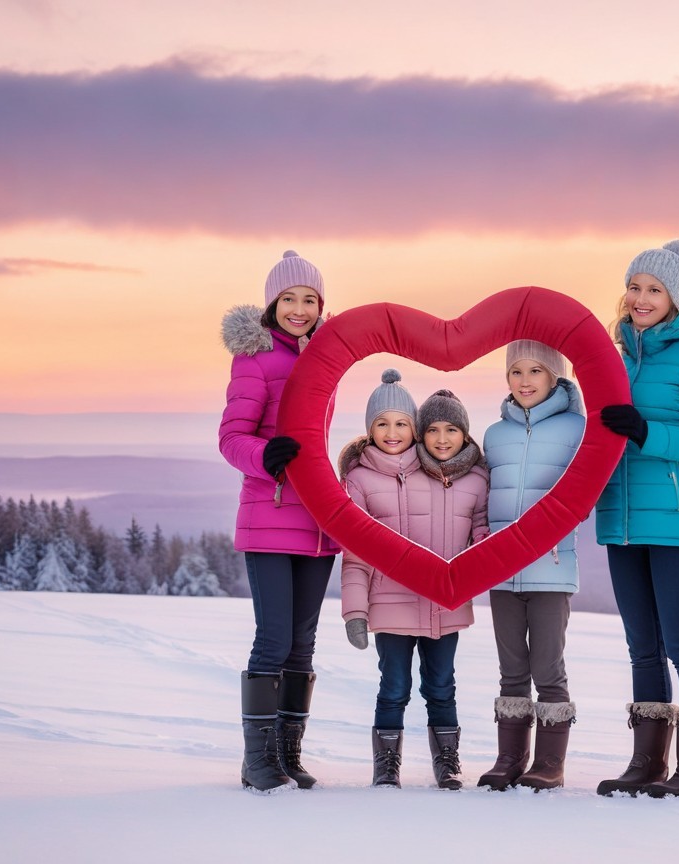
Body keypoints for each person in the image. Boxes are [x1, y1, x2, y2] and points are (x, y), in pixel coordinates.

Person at [595, 239, 679, 800]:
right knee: (642, 647)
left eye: (654, 290)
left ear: (676, 299)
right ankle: (647, 764)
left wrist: (646, 433)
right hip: (624, 519)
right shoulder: (614, 357)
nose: (641, 298)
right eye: (635, 287)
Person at [219, 250, 340, 793]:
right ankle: (258, 760)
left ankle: (289, 755)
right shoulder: (255, 358)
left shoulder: (327, 358)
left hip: (318, 519)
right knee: (272, 639)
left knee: (302, 643)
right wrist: (265, 455)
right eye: (288, 299)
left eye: (309, 299)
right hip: (269, 512)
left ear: (321, 305)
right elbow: (231, 437)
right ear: (271, 303)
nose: (298, 308)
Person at [339, 374, 489, 790]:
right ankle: (386, 764)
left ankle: (447, 762)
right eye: (382, 424)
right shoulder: (359, 480)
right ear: (369, 428)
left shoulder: (442, 474)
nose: (392, 433)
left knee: (442, 685)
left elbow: (477, 533)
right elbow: (356, 554)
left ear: (414, 430)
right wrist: (355, 611)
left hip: (444, 604)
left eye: (401, 424)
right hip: (390, 605)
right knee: (394, 686)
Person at [477, 340, 585, 791]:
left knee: (547, 668)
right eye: (516, 371)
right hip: (501, 568)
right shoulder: (493, 434)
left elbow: (587, 488)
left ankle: (549, 763)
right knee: (511, 669)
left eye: (535, 371)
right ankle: (509, 758)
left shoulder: (577, 428)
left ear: (555, 377)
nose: (524, 381)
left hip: (550, 565)